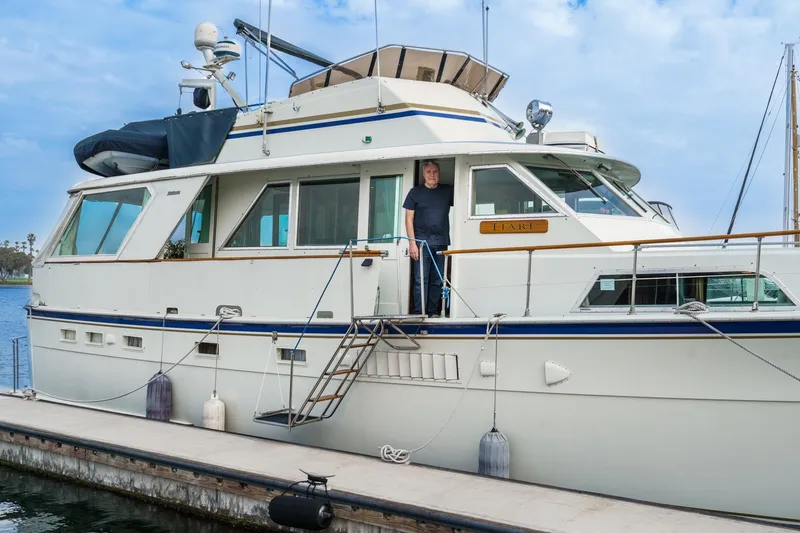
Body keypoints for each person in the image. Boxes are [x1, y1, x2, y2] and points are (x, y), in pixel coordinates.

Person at [402, 160, 453, 317]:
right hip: (421, 243)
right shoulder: (415, 192)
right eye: (429, 172)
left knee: (437, 280)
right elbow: (408, 219)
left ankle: (432, 312)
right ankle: (419, 312)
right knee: (420, 280)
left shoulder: (447, 191)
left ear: (439, 173)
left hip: (441, 241)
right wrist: (412, 243)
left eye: (435, 172)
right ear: (424, 174)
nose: (432, 175)